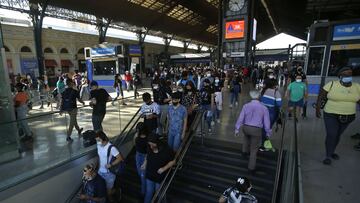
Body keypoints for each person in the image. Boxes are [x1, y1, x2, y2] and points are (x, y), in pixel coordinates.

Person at [315, 67, 360, 165]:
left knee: (338, 135)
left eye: (350, 74)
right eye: (345, 75)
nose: (348, 76)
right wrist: (317, 109)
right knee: (332, 134)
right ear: (340, 76)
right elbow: (321, 96)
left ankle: (332, 151)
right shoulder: (331, 84)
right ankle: (328, 155)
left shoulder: (357, 87)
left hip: (349, 116)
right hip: (331, 113)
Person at [235, 90, 271, 174]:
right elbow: (267, 122)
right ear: (259, 97)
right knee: (254, 149)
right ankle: (251, 167)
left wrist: (237, 128)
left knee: (246, 137)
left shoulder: (246, 106)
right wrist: (268, 133)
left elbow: (241, 118)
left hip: (246, 127)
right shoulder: (264, 108)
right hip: (256, 129)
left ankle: (244, 152)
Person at [141, 134, 175, 203]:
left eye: (152, 144)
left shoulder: (167, 151)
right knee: (149, 192)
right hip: (150, 175)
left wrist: (164, 168)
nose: (150, 146)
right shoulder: (149, 147)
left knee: (160, 194)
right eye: (149, 144)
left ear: (158, 143)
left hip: (160, 177)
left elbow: (173, 161)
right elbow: (147, 156)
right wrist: (145, 163)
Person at [95, 131, 123, 202]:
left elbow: (120, 158)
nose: (97, 142)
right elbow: (99, 156)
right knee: (102, 190)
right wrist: (97, 164)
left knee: (108, 192)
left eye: (99, 140)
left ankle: (116, 191)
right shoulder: (98, 145)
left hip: (109, 173)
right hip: (100, 172)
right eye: (96, 140)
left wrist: (111, 164)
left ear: (103, 138)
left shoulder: (111, 148)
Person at [260, 79, 282, 150]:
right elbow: (279, 104)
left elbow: (260, 100)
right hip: (271, 112)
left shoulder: (263, 91)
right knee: (267, 128)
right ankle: (266, 145)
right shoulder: (276, 92)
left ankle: (264, 144)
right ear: (274, 85)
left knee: (264, 128)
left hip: (262, 111)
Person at [134, 123, 149, 195]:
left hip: (144, 156)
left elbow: (148, 152)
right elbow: (135, 144)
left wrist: (145, 162)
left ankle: (144, 192)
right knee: (139, 172)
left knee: (142, 175)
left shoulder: (148, 139)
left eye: (138, 129)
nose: (136, 130)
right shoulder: (137, 136)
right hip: (138, 154)